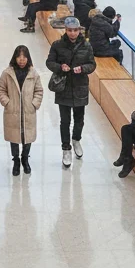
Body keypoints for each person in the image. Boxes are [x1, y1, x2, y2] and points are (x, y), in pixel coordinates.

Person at [45, 17, 95, 168]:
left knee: (79, 119)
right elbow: (49, 62)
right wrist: (61, 67)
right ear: (65, 30)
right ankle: (66, 148)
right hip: (64, 87)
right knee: (65, 121)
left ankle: (76, 139)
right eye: (69, 30)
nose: (72, 33)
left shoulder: (86, 46)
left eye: (75, 30)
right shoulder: (57, 45)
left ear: (79, 30)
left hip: (80, 87)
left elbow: (92, 64)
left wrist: (83, 69)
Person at [0, 46, 43, 176]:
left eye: (24, 57)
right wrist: (7, 102)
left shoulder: (33, 74)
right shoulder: (7, 73)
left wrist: (34, 104)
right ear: (15, 58)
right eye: (19, 57)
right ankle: (16, 160)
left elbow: (39, 91)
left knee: (27, 137)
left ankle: (25, 158)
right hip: (13, 111)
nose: (22, 60)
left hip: (28, 112)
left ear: (28, 58)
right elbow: (1, 89)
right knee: (14, 137)